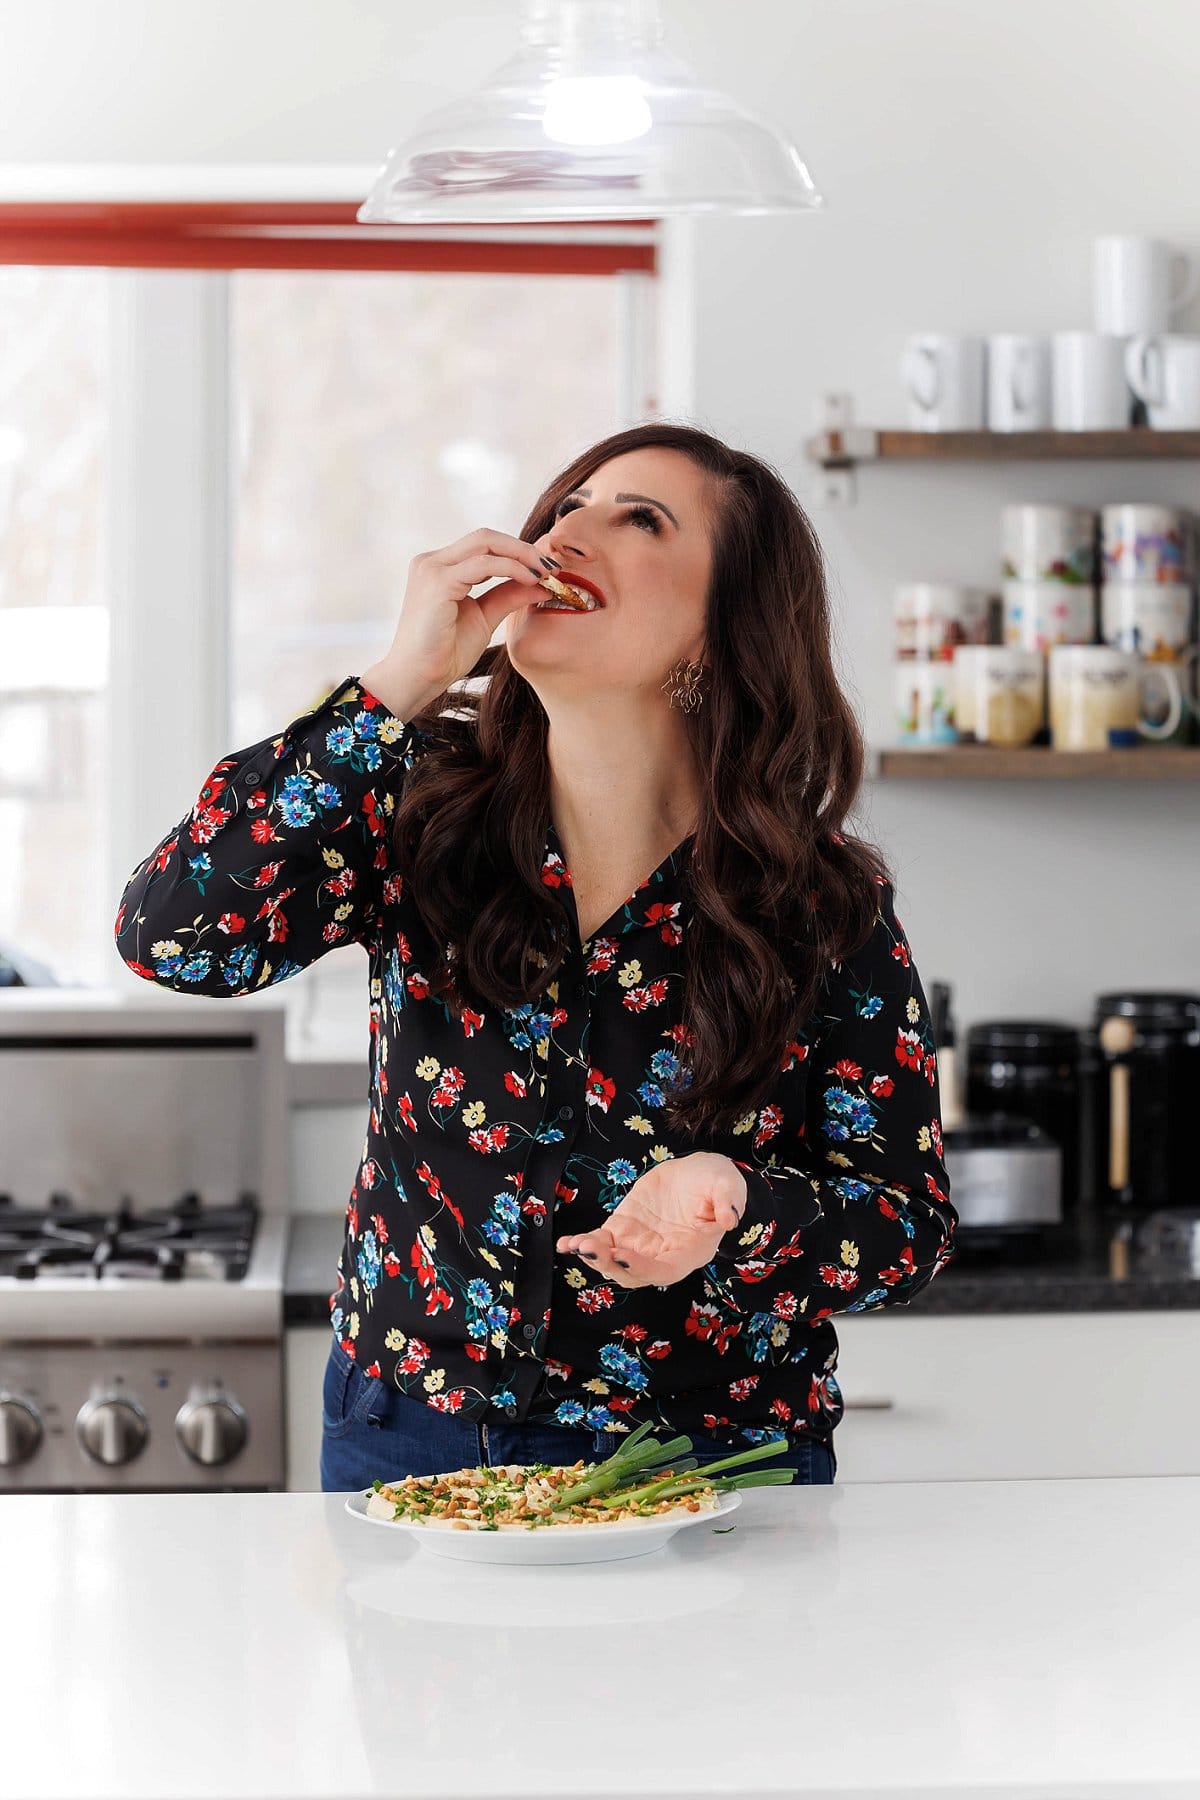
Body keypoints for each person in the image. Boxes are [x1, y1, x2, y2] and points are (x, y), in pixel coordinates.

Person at [114, 421, 957, 1493]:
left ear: (720, 628)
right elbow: (172, 938)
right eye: (566, 507)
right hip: (409, 1434)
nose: (569, 532)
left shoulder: (817, 899)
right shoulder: (416, 800)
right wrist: (394, 683)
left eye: (638, 518)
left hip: (706, 1459)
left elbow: (904, 1228)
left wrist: (740, 1200)